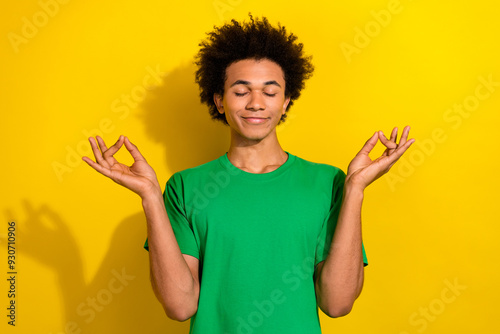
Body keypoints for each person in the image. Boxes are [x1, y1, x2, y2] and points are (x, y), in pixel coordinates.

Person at [82, 14, 415, 334]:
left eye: (270, 92)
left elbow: (338, 303)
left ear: (286, 101)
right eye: (241, 91)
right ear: (219, 100)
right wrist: (151, 196)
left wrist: (356, 188)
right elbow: (180, 306)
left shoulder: (329, 183)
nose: (256, 102)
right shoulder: (184, 187)